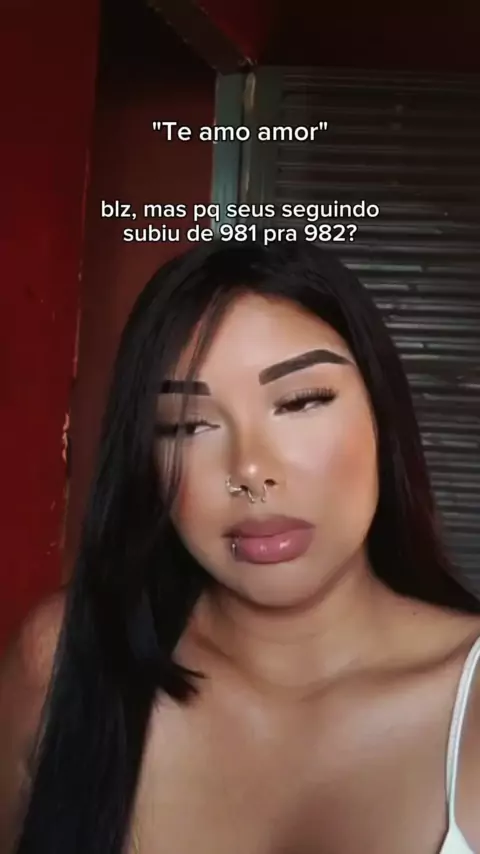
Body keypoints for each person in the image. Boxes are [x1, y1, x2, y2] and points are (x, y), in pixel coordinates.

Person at [0, 239, 479, 854]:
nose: (250, 469)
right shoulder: (63, 663)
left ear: (381, 414)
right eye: (189, 423)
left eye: (301, 401)